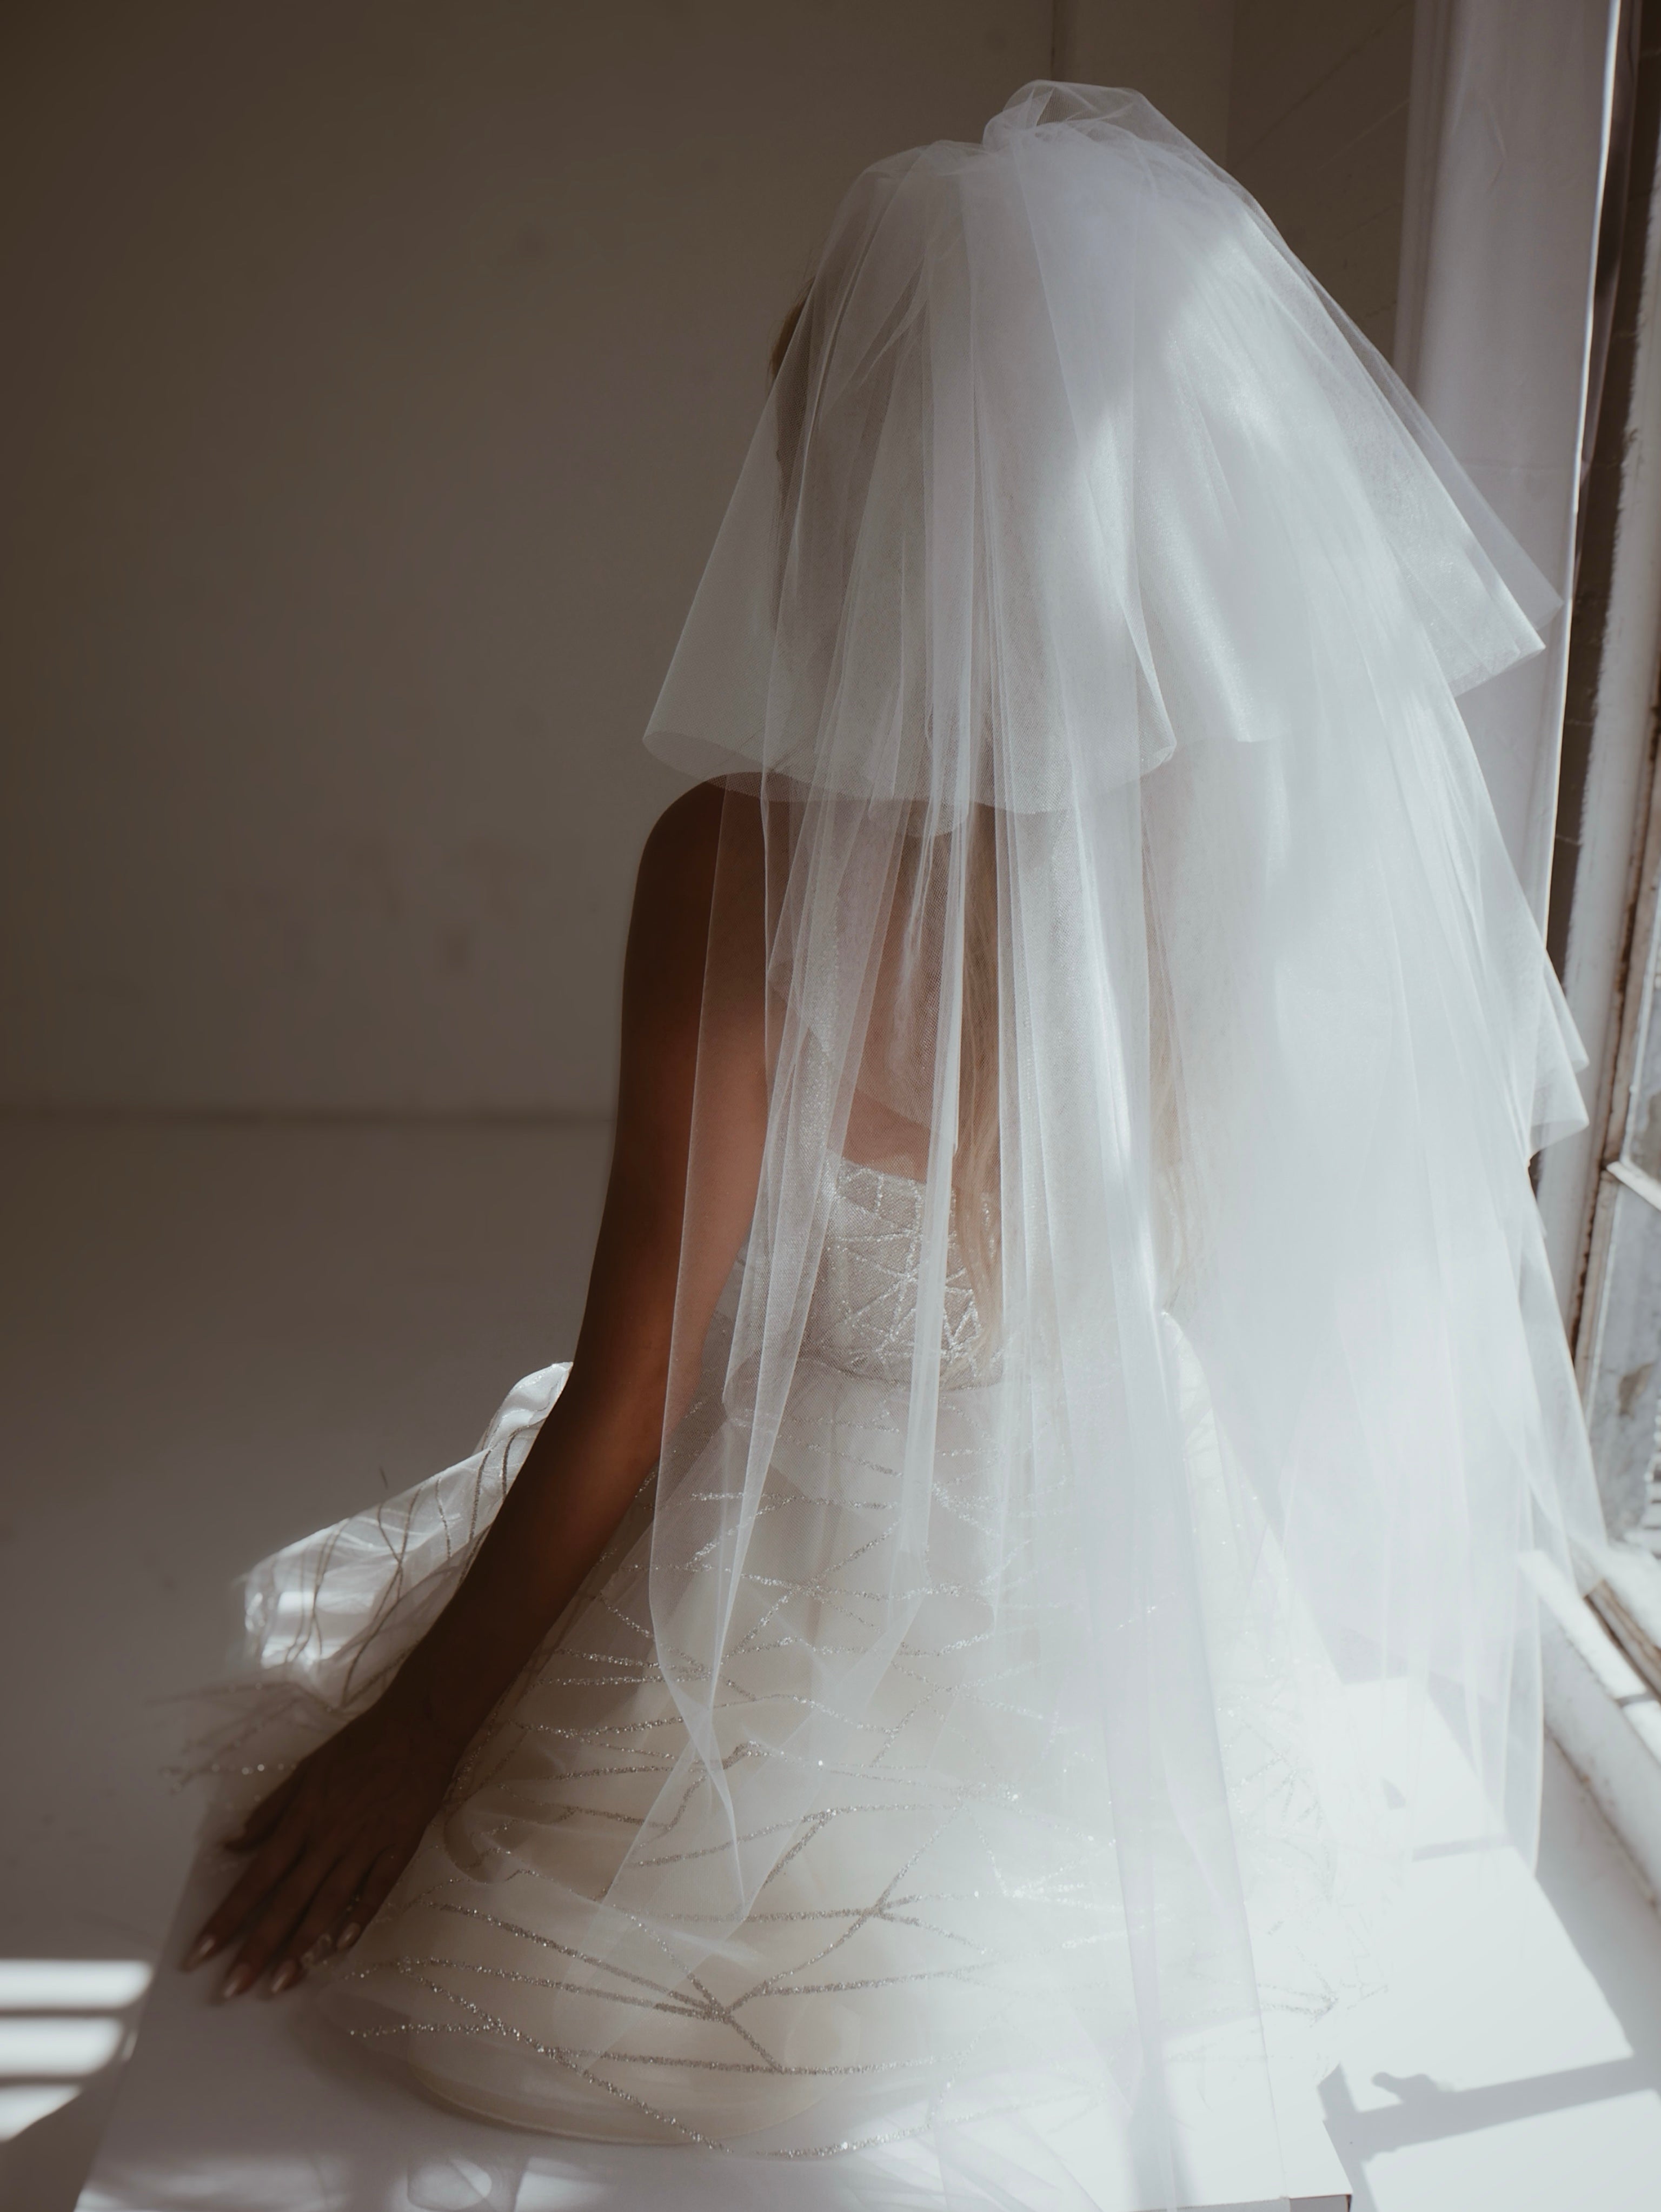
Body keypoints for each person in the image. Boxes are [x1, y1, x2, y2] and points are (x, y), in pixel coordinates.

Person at [181, 81, 1606, 2200]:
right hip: (1125, 1583)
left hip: (817, 1575)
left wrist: (420, 1732)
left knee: (539, 1975)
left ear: (856, 488)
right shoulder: (1227, 837)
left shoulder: (738, 867)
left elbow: (638, 1391)